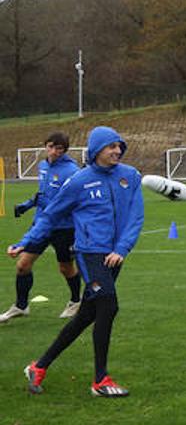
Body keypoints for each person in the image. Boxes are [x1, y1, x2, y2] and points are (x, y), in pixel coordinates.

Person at [12, 126, 144, 397]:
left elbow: (135, 217)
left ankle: (39, 366)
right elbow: (49, 215)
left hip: (115, 255)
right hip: (90, 253)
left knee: (88, 314)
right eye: (111, 146)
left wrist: (121, 248)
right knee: (108, 305)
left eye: (119, 146)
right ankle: (100, 380)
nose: (117, 150)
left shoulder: (130, 177)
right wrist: (27, 240)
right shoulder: (79, 181)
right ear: (97, 150)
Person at [2, 132, 83, 323]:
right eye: (50, 147)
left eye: (59, 149)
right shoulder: (43, 166)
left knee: (65, 268)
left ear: (65, 151)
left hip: (64, 228)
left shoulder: (72, 171)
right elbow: (43, 194)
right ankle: (21, 306)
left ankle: (75, 301)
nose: (54, 152)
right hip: (41, 223)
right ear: (45, 146)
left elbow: (73, 201)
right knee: (22, 265)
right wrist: (27, 205)